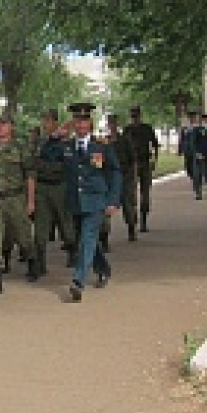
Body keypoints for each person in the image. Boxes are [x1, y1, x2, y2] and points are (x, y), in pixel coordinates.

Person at [42, 102, 121, 302]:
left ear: (90, 123)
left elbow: (115, 172)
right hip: (75, 202)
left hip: (95, 200)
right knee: (85, 240)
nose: (81, 125)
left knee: (87, 237)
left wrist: (113, 200)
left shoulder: (101, 146)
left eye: (84, 121)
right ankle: (103, 268)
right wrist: (54, 136)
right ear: (73, 123)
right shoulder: (67, 146)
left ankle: (78, 281)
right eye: (77, 121)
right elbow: (47, 155)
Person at [0, 114, 36, 294]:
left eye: (4, 124)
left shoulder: (20, 148)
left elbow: (29, 176)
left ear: (11, 127)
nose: (0, 128)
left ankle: (32, 261)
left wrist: (30, 201)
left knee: (23, 235)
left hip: (16, 198)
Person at [31, 109, 76, 279]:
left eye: (48, 120)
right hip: (42, 187)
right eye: (44, 120)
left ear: (55, 122)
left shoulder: (66, 142)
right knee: (40, 226)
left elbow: (67, 164)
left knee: (66, 223)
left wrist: (46, 166)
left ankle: (72, 251)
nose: (45, 124)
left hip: (60, 186)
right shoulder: (39, 141)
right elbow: (33, 162)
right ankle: (40, 263)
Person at [123, 106, 160, 232]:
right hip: (132, 164)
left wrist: (154, 160)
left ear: (140, 116)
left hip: (145, 163)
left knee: (145, 193)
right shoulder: (127, 130)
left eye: (136, 116)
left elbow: (155, 145)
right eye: (133, 116)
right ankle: (132, 222)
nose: (134, 119)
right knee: (131, 194)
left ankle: (143, 220)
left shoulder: (147, 128)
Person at [105, 113, 138, 242]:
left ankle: (131, 227)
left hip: (125, 176)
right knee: (106, 207)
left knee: (127, 204)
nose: (112, 125)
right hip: (109, 178)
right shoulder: (104, 141)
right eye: (110, 123)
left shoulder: (124, 140)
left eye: (113, 123)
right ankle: (104, 237)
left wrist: (132, 177)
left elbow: (132, 160)